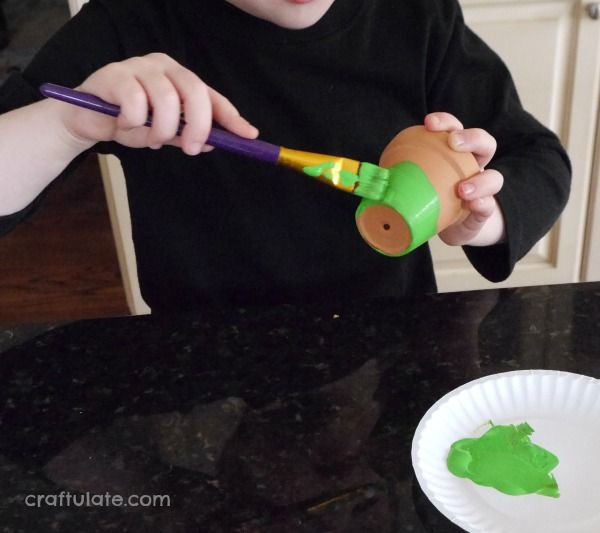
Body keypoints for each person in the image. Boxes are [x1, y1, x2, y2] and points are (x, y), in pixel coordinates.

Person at [0, 0, 571, 311]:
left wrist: (480, 211)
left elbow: (538, 158)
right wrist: (68, 123)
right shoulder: (131, 20)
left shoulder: (417, 15)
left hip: (387, 339)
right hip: (202, 361)